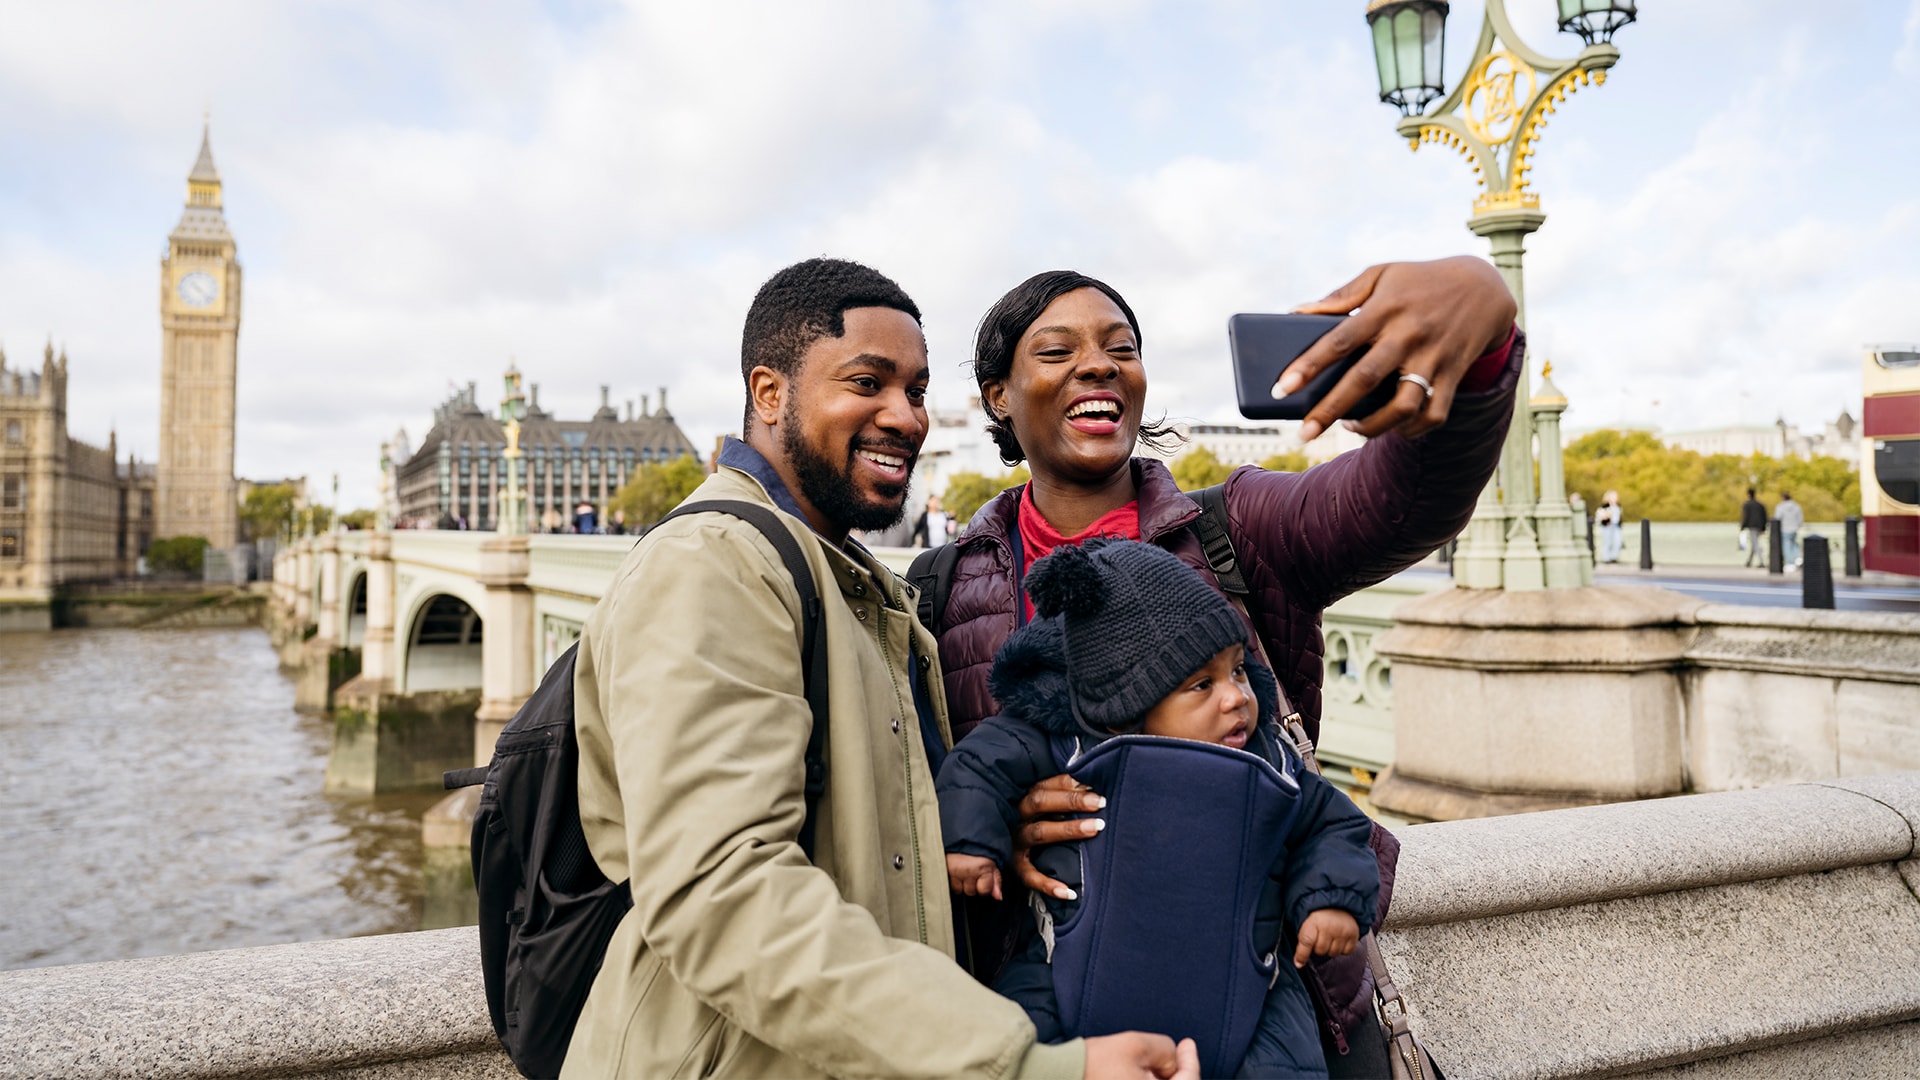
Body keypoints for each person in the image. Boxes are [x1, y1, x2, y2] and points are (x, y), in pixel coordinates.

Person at [565, 258, 1198, 1080]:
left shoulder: (854, 583)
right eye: (867, 382)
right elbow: (723, 894)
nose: (903, 416)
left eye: (918, 390)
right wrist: (1029, 1068)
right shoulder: (711, 563)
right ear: (769, 393)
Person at [923, 259, 1521, 1076]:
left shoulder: (1235, 533)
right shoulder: (937, 592)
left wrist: (1483, 324)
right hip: (1054, 1021)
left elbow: (1407, 500)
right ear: (997, 395)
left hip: (1262, 1002)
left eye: (1120, 347)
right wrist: (999, 822)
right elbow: (904, 815)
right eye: (1057, 352)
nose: (1098, 364)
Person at [939, 541, 1378, 1078]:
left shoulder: (1267, 761)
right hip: (1066, 969)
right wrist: (970, 844)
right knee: (1020, 1035)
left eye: (1239, 671)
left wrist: (1332, 901)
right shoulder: (1069, 746)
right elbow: (978, 767)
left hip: (1247, 985)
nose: (1237, 697)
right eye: (1202, 684)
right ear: (1129, 705)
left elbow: (1331, 824)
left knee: (1286, 1059)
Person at [1775, 491, 1804, 568]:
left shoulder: (1780, 507)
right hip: (1794, 528)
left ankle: (1790, 563)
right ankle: (1798, 557)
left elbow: (1777, 518)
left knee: (1786, 546)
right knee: (1793, 543)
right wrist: (1798, 525)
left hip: (1785, 528)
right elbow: (1800, 519)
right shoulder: (1797, 506)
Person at [1739, 488, 1767, 568]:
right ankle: (1749, 561)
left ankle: (1761, 561)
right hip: (1759, 526)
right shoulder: (1760, 505)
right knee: (1754, 543)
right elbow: (1764, 516)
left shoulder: (1747, 505)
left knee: (1755, 544)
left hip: (1752, 526)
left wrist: (1743, 526)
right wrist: (1763, 527)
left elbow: (1745, 517)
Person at [1597, 491, 1624, 564]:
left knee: (1618, 542)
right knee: (1607, 542)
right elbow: (1600, 517)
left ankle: (1614, 557)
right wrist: (1607, 515)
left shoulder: (1618, 507)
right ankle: (1606, 558)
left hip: (1616, 526)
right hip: (1608, 526)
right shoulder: (1605, 507)